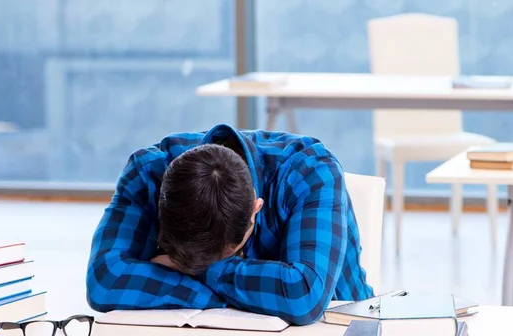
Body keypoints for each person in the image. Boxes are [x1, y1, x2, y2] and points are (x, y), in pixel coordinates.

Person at [85, 124, 374, 325]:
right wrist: (239, 296)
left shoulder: (311, 171)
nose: (199, 266)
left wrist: (192, 269)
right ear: (162, 208)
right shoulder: (148, 173)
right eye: (190, 260)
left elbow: (302, 295)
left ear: (255, 210)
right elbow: (104, 280)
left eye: (224, 253)